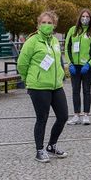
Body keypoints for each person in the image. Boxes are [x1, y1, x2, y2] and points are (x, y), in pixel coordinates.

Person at [17, 11, 68, 163]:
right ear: (38, 24)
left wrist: (60, 75)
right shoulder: (32, 41)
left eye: (49, 23)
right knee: (42, 118)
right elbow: (22, 63)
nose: (46, 25)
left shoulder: (54, 41)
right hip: (38, 87)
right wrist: (28, 80)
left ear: (54, 25)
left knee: (63, 116)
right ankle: (39, 150)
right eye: (43, 22)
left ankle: (51, 146)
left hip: (56, 85)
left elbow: (57, 61)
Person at [65, 9, 91, 125]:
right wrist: (70, 63)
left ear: (90, 19)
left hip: (87, 66)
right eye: (83, 16)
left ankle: (86, 115)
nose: (85, 18)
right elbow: (66, 48)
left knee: (86, 90)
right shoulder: (72, 30)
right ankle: (76, 115)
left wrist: (89, 64)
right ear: (79, 17)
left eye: (87, 16)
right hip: (74, 66)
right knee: (75, 90)